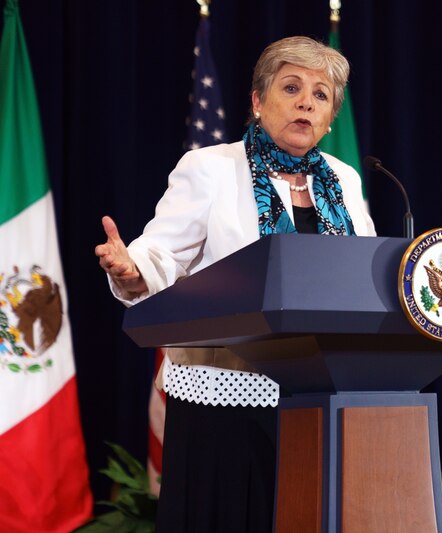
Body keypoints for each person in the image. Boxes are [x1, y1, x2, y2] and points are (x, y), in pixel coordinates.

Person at [95, 36, 375, 532]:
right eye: (291, 88)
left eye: (321, 94)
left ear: (331, 116)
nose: (306, 102)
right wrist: (131, 267)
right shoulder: (211, 169)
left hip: (320, 394)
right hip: (226, 393)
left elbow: (363, 268)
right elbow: (162, 250)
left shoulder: (344, 179)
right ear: (258, 100)